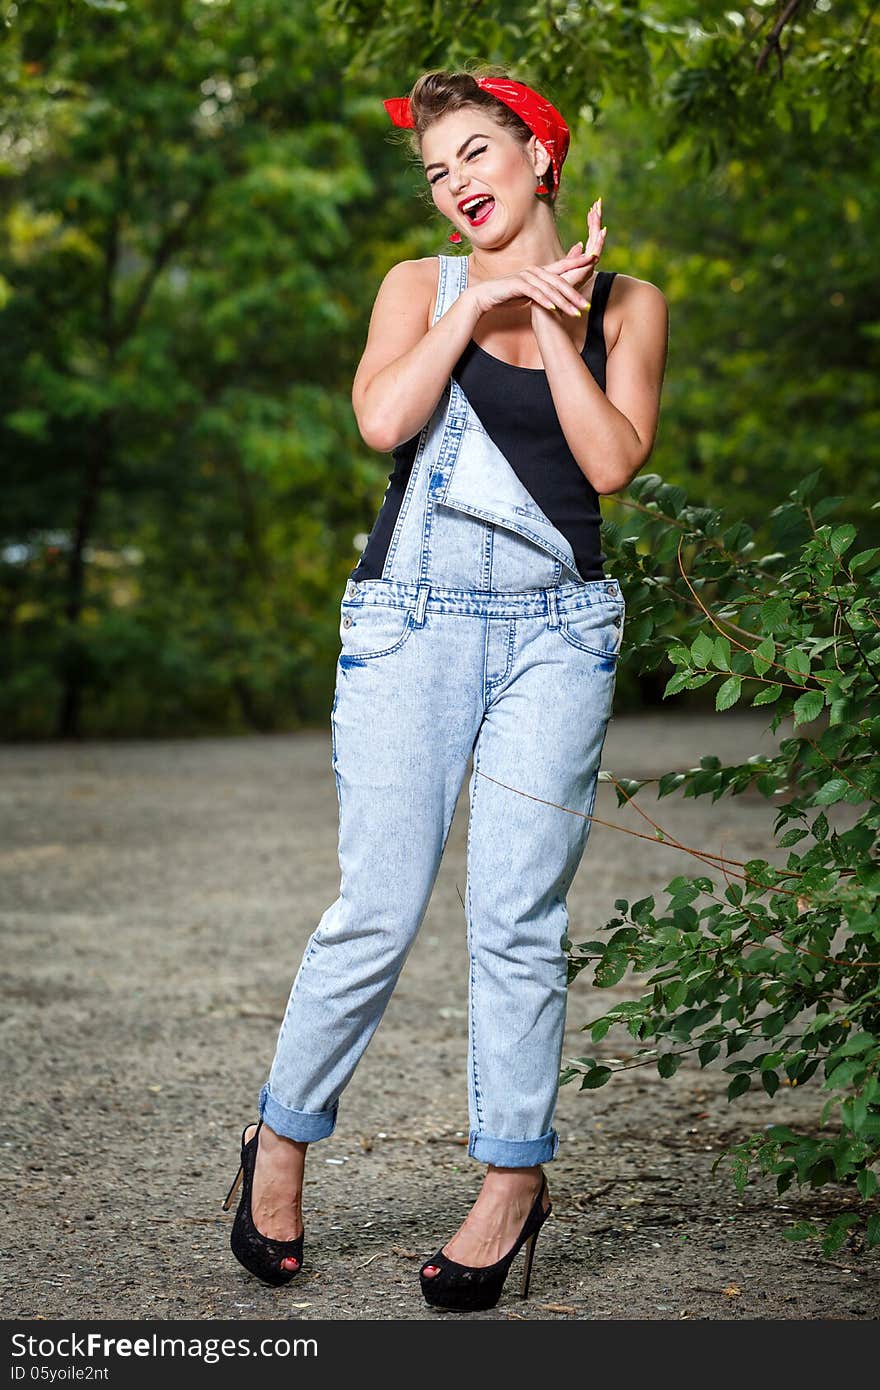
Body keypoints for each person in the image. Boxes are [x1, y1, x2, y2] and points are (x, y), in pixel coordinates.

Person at [222, 66, 668, 1312]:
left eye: (477, 152)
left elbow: (610, 464)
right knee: (376, 908)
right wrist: (477, 309)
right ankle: (280, 1143)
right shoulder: (418, 287)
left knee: (520, 921)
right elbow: (381, 419)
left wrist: (562, 328)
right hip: (410, 622)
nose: (455, 182)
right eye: (435, 170)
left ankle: (509, 1186)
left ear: (540, 156)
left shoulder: (631, 302)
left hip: (555, 637)